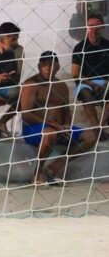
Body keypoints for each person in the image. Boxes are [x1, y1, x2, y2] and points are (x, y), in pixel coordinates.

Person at [18, 51, 98, 184]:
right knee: (50, 133)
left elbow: (66, 111)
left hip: (58, 128)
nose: (48, 68)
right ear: (39, 66)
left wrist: (66, 125)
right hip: (34, 129)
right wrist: (53, 124)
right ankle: (37, 173)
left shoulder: (61, 86)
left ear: (58, 67)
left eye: (52, 65)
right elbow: (26, 114)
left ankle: (54, 167)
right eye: (44, 65)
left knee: (90, 136)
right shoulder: (31, 84)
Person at [71, 13, 109, 129]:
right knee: (85, 94)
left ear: (102, 27)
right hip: (85, 83)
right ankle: (95, 126)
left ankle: (100, 126)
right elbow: (75, 73)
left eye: (97, 26)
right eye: (91, 26)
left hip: (105, 82)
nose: (94, 29)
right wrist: (91, 83)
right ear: (86, 27)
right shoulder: (79, 48)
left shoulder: (107, 45)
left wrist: (106, 83)